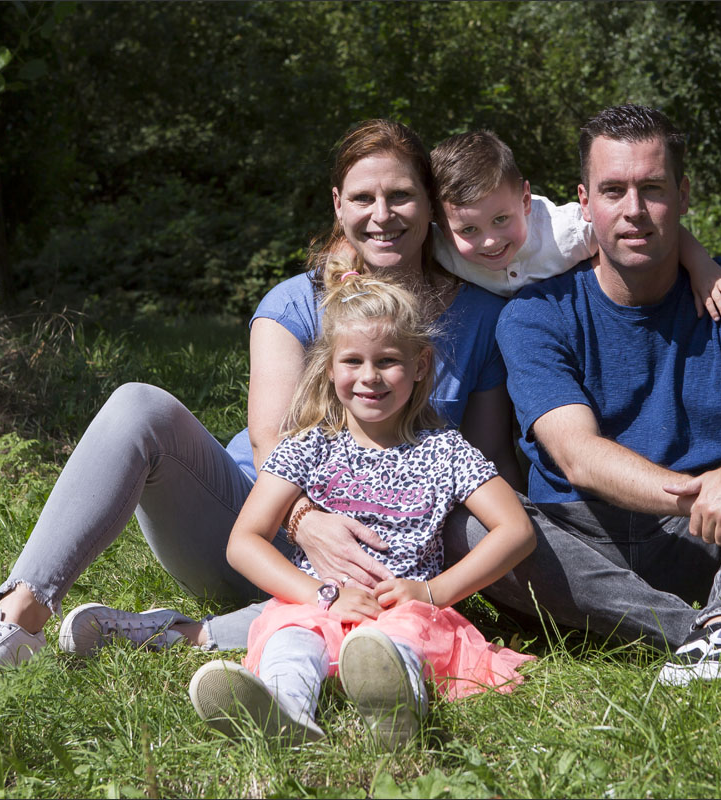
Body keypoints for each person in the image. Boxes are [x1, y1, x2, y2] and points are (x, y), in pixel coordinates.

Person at [0, 119, 520, 686]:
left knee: (330, 619)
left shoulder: (480, 316)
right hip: (257, 531)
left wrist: (423, 587)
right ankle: (15, 620)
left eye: (402, 196)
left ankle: (180, 635)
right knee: (139, 406)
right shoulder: (294, 303)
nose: (382, 215)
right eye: (364, 197)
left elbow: (488, 462)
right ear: (339, 204)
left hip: (388, 563)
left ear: (431, 205)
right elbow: (271, 442)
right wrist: (307, 524)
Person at [449, 104, 721, 692]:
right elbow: (576, 454)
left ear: (684, 194)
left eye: (652, 188)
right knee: (466, 521)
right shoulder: (533, 315)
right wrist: (720, 493)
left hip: (709, 545)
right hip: (577, 545)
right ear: (584, 200)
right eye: (613, 190)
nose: (633, 211)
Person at [186, 260, 535, 749]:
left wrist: (432, 593)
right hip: (317, 604)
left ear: (420, 365)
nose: (370, 377)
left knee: (396, 644)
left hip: (404, 609)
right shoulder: (308, 447)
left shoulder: (446, 450)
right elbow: (244, 543)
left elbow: (516, 529)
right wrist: (320, 595)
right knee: (289, 637)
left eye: (388, 360)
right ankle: (286, 713)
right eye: (352, 362)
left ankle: (395, 712)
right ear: (329, 369)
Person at [429, 129, 721, 321]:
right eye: (469, 230)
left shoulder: (566, 232)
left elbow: (644, 229)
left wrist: (703, 268)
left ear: (525, 201)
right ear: (441, 225)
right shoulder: (438, 246)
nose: (489, 241)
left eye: (500, 220)